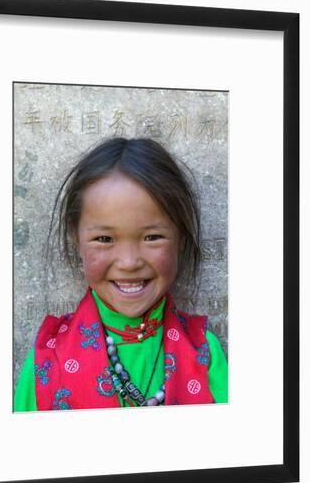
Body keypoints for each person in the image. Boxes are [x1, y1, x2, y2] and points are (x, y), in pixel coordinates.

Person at [14, 137, 228, 411]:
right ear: (75, 239)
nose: (128, 262)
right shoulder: (48, 358)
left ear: (181, 239)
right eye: (104, 239)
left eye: (152, 237)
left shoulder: (203, 353)